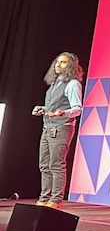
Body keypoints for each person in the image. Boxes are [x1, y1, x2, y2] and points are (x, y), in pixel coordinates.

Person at [30, 52, 84, 208]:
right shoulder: (55, 83)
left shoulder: (73, 84)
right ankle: (44, 197)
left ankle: (55, 199)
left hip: (61, 128)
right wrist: (43, 109)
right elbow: (56, 106)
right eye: (57, 62)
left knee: (56, 164)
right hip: (48, 127)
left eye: (63, 62)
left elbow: (77, 109)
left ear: (71, 66)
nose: (58, 65)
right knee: (44, 165)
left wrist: (63, 113)